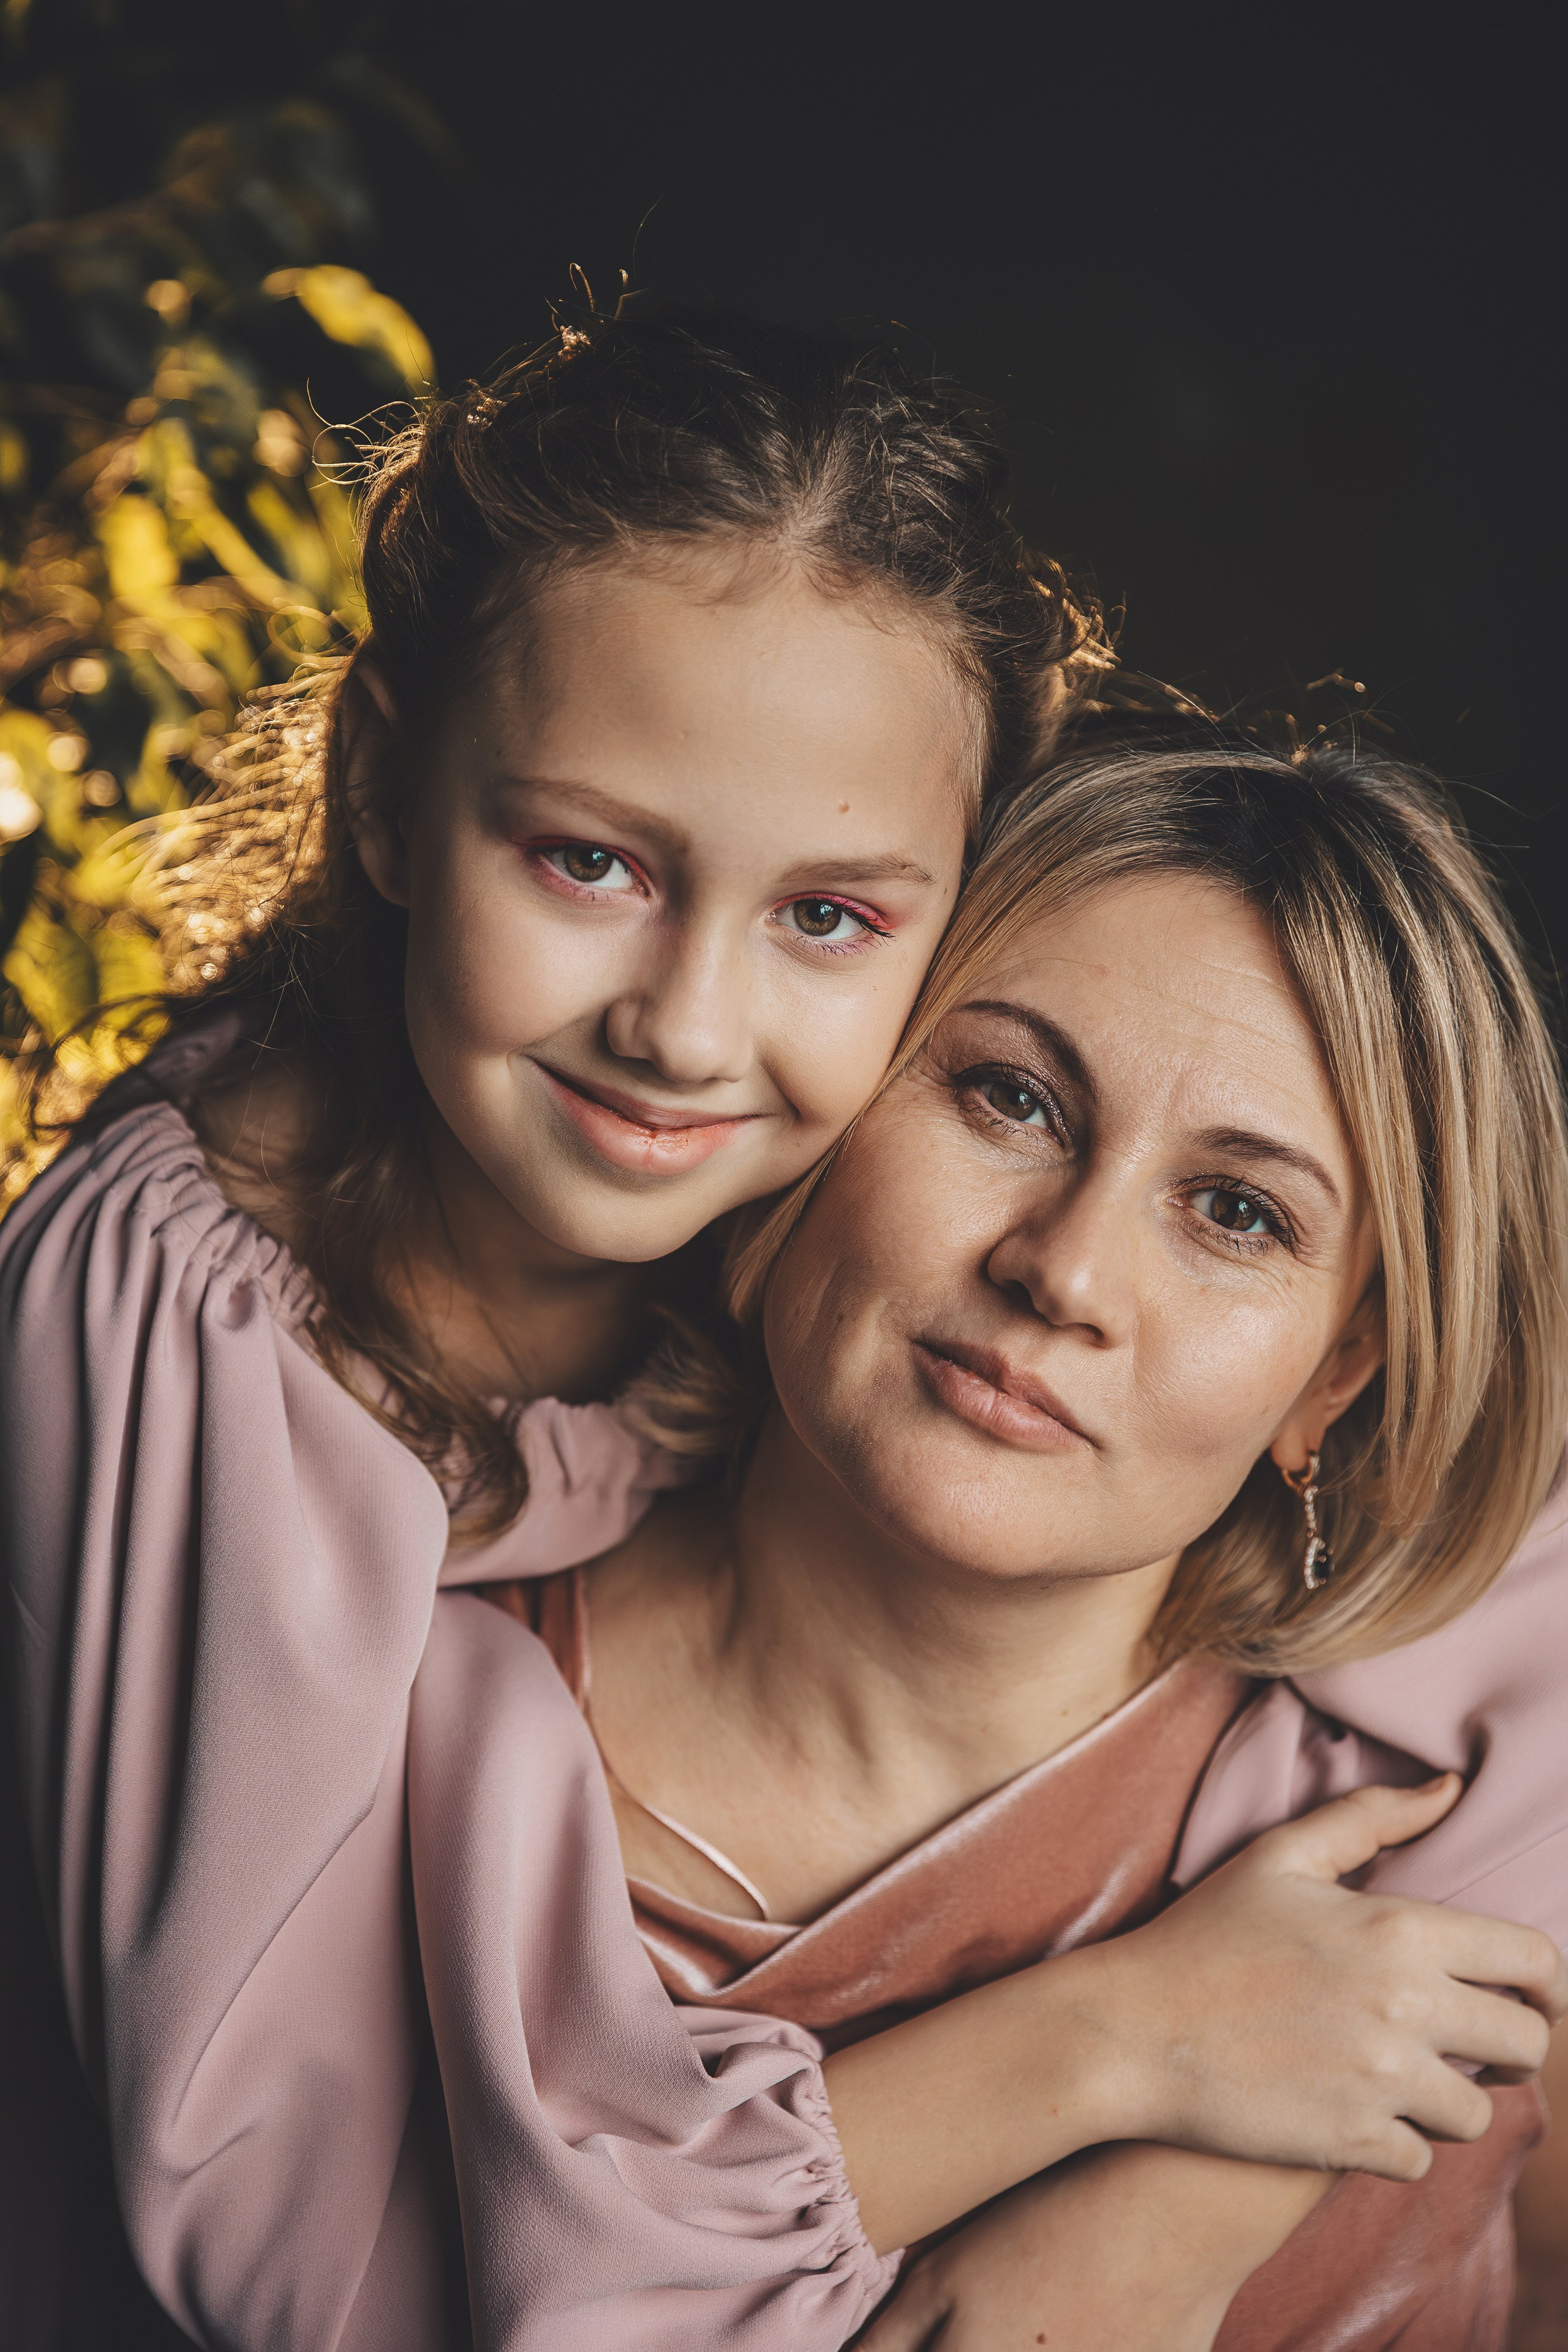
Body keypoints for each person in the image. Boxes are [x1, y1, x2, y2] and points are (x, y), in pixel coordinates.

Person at [0, 301, 1561, 2347]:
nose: (688, 1030)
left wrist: (1197, 2178)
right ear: (384, 785)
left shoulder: (768, 1209)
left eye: (829, 915)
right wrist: (1101, 2056)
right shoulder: (221, 1331)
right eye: (585, 861)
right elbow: (321, 2263)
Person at [478, 721, 1568, 2349]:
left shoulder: (1432, 1842)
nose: (1064, 1271)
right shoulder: (416, 1732)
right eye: (1011, 1097)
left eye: (1237, 1212)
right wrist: (1106, 2047)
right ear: (824, 1101)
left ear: (1333, 1376)